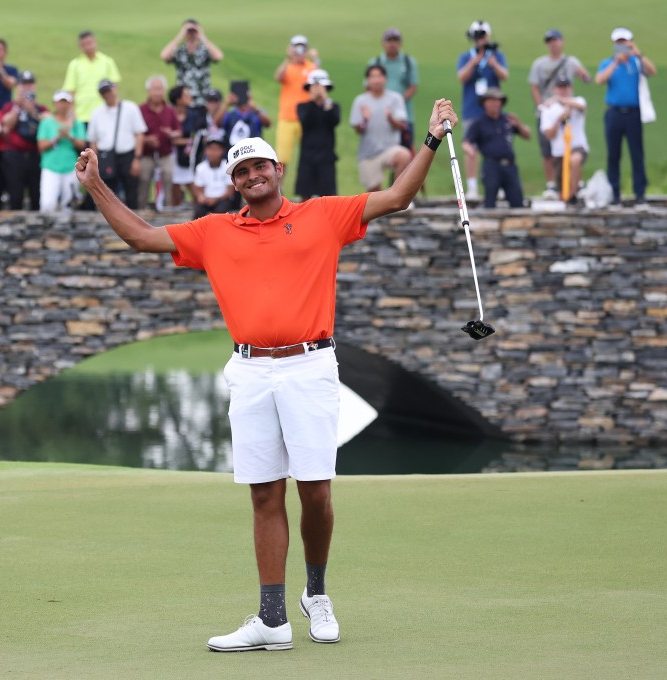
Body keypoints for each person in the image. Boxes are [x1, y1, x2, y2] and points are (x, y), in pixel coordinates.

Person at [73, 96, 459, 653]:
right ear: (234, 181)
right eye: (241, 170)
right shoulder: (213, 231)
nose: (252, 176)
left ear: (278, 171)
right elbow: (141, 236)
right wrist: (97, 188)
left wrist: (430, 140)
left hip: (310, 364)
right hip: (251, 371)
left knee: (317, 492)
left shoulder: (322, 214)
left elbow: (397, 197)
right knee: (263, 494)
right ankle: (272, 619)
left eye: (260, 166)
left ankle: (317, 594)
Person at [595, 27, 657, 208]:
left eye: (625, 43)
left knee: (637, 154)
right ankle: (614, 193)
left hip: (633, 113)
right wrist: (616, 62)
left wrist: (638, 54)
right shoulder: (608, 63)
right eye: (619, 43)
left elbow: (653, 71)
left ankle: (640, 193)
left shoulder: (637, 63)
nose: (622, 46)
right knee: (613, 155)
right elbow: (599, 80)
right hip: (614, 113)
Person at [529, 29, 591, 198]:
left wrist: (584, 76)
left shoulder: (571, 62)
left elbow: (586, 78)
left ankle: (577, 184)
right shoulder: (540, 64)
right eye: (550, 41)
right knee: (548, 150)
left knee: (574, 148)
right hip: (549, 108)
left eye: (556, 40)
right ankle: (552, 183)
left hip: (567, 106)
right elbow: (534, 86)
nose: (553, 44)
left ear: (562, 42)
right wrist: (541, 105)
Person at [457, 20, 509, 197]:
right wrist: (473, 62)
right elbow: (461, 78)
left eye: (483, 36)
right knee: (471, 148)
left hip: (493, 111)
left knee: (497, 146)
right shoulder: (466, 57)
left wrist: (493, 63)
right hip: (473, 109)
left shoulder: (496, 55)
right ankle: (472, 186)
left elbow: (505, 75)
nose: (481, 40)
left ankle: (500, 184)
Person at [463, 87, 530, 208]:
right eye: (491, 100)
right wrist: (470, 151)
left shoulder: (508, 120)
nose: (494, 103)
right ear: (484, 103)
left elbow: (527, 135)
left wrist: (518, 124)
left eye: (497, 100)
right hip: (491, 165)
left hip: (510, 165)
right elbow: (467, 142)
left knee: (517, 200)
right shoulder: (479, 123)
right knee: (490, 200)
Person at [87, 80, 146, 210]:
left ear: (115, 89)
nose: (108, 94)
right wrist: (95, 162)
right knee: (109, 193)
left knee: (131, 191)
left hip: (127, 155)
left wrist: (137, 158)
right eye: (104, 92)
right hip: (106, 156)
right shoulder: (97, 113)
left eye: (109, 90)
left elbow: (140, 134)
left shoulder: (130, 108)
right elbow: (93, 140)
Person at [350, 64, 410, 192]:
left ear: (385, 79)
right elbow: (357, 129)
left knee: (404, 155)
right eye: (372, 77)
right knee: (374, 193)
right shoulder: (360, 101)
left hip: (389, 149)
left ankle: (399, 194)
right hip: (368, 153)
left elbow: (401, 125)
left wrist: (390, 118)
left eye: (379, 76)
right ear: (367, 80)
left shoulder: (395, 99)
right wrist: (364, 120)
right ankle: (387, 202)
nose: (376, 80)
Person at [273, 35, 319, 179]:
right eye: (296, 47)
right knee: (282, 158)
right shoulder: (288, 66)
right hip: (287, 117)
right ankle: (279, 190)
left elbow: (318, 82)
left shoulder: (310, 67)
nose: (299, 51)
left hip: (306, 118)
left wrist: (316, 59)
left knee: (309, 155)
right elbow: (278, 77)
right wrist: (288, 58)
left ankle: (307, 189)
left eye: (302, 48)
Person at [1, 71, 46, 210]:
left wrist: (32, 111)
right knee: (15, 194)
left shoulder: (40, 108)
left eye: (29, 84)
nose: (27, 88)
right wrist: (18, 107)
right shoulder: (10, 107)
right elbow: (6, 127)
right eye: (23, 84)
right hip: (15, 155)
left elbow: (48, 122)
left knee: (35, 194)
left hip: (34, 155)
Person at [539, 76, 588, 203]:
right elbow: (548, 134)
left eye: (566, 87)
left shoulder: (578, 101)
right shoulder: (548, 109)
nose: (563, 90)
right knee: (562, 185)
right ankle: (569, 194)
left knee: (575, 160)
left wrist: (562, 101)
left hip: (577, 146)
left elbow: (582, 107)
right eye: (560, 88)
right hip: (559, 152)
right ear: (555, 89)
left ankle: (574, 193)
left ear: (571, 89)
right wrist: (560, 118)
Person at [368, 28, 419, 149]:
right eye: (389, 40)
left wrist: (397, 102)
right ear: (383, 43)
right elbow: (368, 88)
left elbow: (413, 86)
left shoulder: (408, 62)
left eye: (395, 40)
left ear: (400, 43)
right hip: (381, 116)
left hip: (404, 115)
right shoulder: (376, 62)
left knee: (405, 154)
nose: (392, 44)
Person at [37, 90, 85, 213]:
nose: (63, 105)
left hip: (70, 166)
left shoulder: (76, 123)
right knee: (47, 203)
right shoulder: (47, 123)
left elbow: (82, 145)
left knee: (68, 204)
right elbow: (41, 145)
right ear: (55, 103)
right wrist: (57, 138)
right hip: (51, 166)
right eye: (60, 102)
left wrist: (69, 136)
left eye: (66, 102)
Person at [62, 31, 122, 129]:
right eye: (84, 45)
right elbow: (71, 91)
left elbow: (114, 88)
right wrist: (72, 113)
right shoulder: (75, 64)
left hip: (104, 112)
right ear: (80, 46)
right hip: (82, 114)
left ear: (95, 42)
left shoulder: (107, 62)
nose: (87, 47)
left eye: (89, 43)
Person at [138, 75, 180, 211]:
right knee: (143, 179)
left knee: (168, 177)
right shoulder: (141, 110)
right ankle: (141, 210)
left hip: (165, 153)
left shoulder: (170, 110)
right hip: (147, 153)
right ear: (148, 91)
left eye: (160, 89)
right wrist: (146, 140)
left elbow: (178, 130)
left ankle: (167, 209)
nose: (157, 93)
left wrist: (171, 134)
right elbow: (135, 133)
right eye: (155, 89)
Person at [160, 19, 224, 108]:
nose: (191, 33)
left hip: (202, 98)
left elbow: (218, 56)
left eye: (194, 30)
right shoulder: (180, 51)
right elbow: (164, 56)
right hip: (183, 99)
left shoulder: (204, 50)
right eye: (189, 31)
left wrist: (202, 36)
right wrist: (180, 36)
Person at [296, 69, 339, 198]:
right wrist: (313, 101)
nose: (318, 90)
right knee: (305, 195)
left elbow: (334, 121)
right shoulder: (302, 106)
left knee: (328, 196)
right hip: (307, 156)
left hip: (326, 156)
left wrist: (325, 103)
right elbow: (306, 121)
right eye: (314, 87)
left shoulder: (333, 106)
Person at [191, 135, 236, 218]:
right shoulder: (201, 168)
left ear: (222, 151)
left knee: (220, 212)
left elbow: (230, 190)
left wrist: (216, 199)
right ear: (206, 151)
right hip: (206, 199)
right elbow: (198, 188)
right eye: (211, 149)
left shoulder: (227, 166)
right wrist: (201, 197)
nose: (213, 152)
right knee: (198, 211)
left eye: (216, 149)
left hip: (222, 199)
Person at [169, 83, 196, 207]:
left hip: (187, 154)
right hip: (172, 155)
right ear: (178, 99)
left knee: (191, 181)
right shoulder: (169, 113)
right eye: (186, 95)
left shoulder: (192, 114)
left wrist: (183, 141)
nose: (190, 97)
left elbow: (196, 135)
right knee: (174, 185)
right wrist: (186, 140)